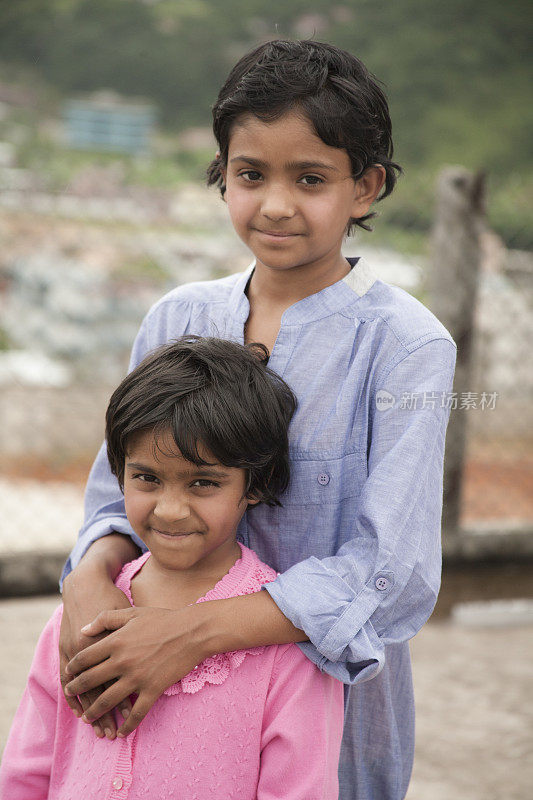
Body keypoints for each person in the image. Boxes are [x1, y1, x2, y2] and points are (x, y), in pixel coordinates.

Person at [57, 40, 456, 800]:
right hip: (155, 691)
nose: (275, 204)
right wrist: (91, 578)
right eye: (250, 174)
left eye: (310, 178)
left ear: (364, 187)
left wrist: (194, 632)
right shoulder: (177, 316)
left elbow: (390, 570)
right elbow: (116, 495)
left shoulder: (404, 347)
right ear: (222, 175)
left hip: (318, 704)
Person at [0, 337, 345, 799]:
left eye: (203, 482)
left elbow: (303, 789)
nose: (170, 510)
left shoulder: (286, 643)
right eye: (147, 478)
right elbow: (26, 772)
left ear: (255, 484)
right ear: (119, 471)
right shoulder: (80, 616)